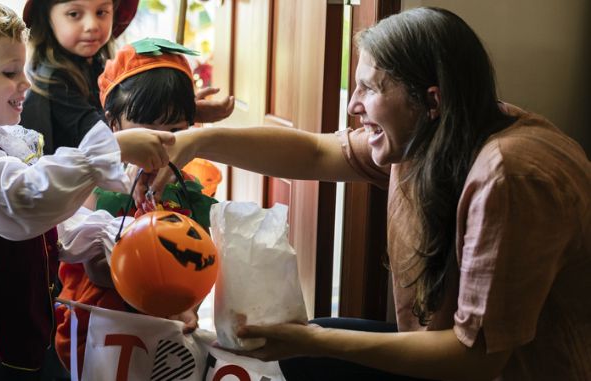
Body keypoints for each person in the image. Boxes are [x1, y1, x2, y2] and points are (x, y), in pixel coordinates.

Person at [150, 6, 591, 381]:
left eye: (370, 88)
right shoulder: (435, 130)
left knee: (303, 350)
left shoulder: (511, 177)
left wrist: (315, 341)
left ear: (431, 101)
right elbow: (316, 152)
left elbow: (476, 358)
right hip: (450, 359)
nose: (352, 105)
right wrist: (197, 141)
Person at [0, 1, 174, 380]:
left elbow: (55, 223)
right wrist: (115, 148)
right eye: (10, 72)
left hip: (29, 325)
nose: (25, 83)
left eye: (23, 69)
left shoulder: (4, 142)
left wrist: (110, 235)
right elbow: (27, 197)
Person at [53, 39, 219, 375]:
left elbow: (200, 259)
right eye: (146, 131)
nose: (160, 144)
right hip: (101, 322)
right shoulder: (97, 186)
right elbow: (95, 269)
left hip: (162, 335)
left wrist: (187, 306)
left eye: (174, 131)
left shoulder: (189, 189)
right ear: (114, 124)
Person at [20, 0, 234, 154]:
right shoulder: (53, 81)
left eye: (102, 12)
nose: (92, 25)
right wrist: (187, 113)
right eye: (74, 14)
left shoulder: (97, 65)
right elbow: (105, 135)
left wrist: (178, 108)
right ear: (47, 18)